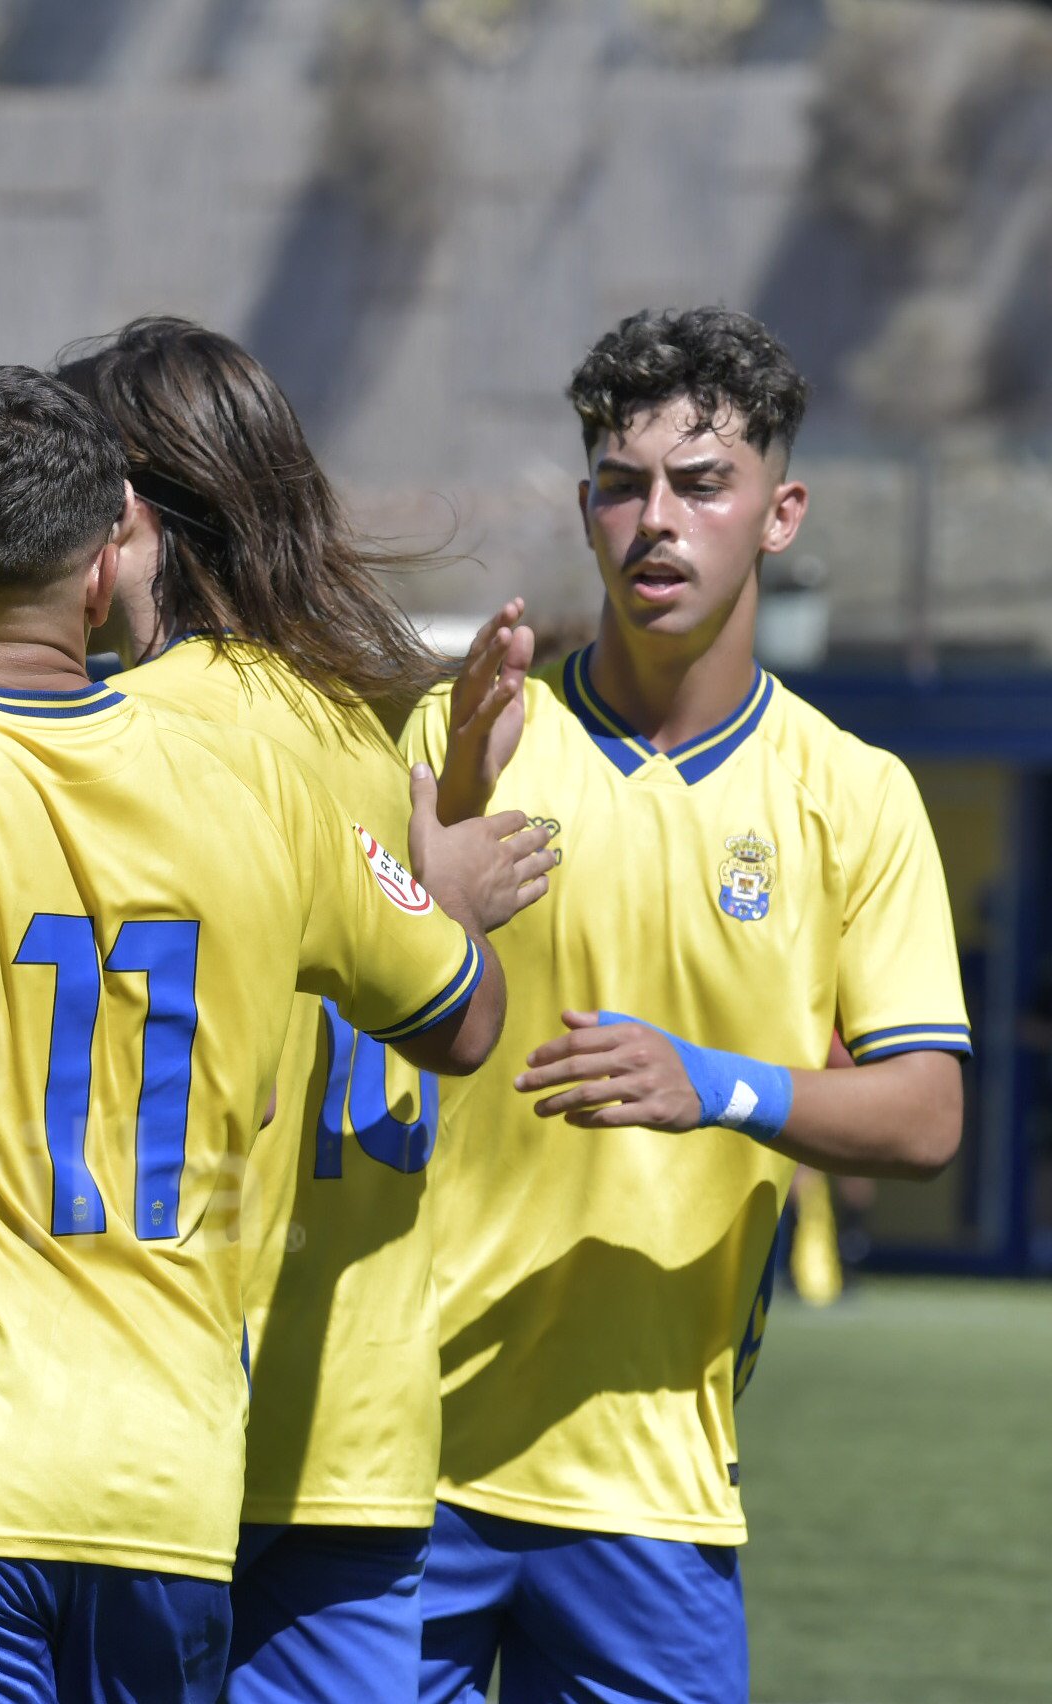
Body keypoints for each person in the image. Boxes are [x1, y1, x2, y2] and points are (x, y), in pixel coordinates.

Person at [0, 367, 539, 1702]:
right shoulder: (268, 789)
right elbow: (466, 1018)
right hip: (169, 1496)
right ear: (102, 566)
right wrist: (430, 880)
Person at [405, 307, 970, 1704]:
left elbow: (926, 1115)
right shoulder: (467, 735)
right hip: (402, 1461)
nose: (655, 521)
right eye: (621, 485)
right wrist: (448, 826)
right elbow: (341, 1023)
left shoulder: (855, 796)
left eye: (701, 484)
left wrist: (711, 1084)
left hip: (651, 1483)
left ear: (780, 513)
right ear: (586, 509)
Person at [57, 316, 551, 1702]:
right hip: (358, 1417)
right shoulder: (359, 727)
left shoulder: (131, 739)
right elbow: (428, 994)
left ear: (126, 513)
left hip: (168, 1413)